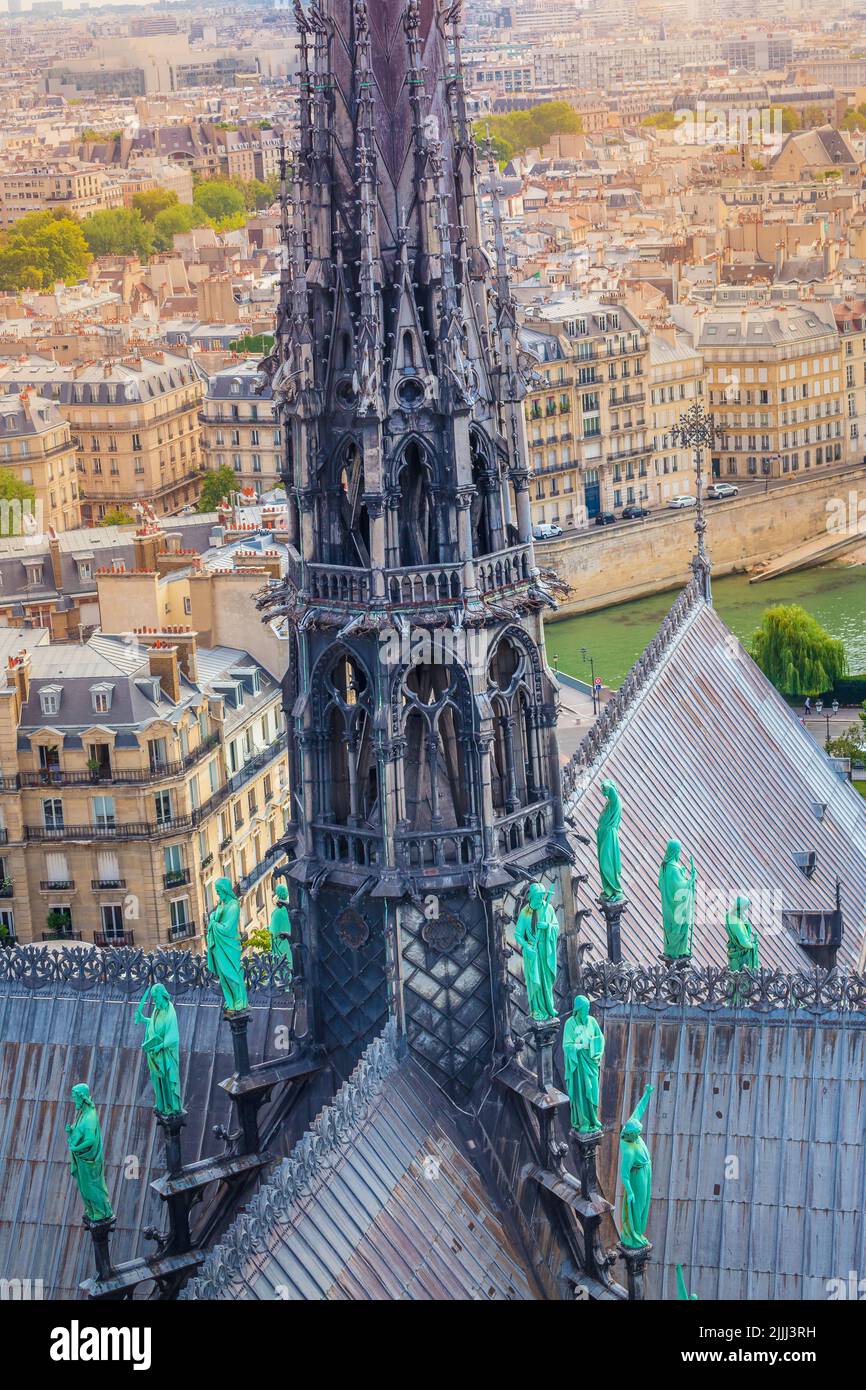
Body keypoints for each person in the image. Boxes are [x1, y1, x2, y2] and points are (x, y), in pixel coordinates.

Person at [206, 877, 248, 1012]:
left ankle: (240, 1000)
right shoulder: (223, 904)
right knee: (223, 975)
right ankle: (231, 1000)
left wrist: (213, 923)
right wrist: (214, 918)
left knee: (231, 974)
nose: (217, 894)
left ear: (224, 890)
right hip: (221, 946)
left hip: (229, 945)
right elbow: (216, 917)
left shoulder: (233, 906)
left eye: (218, 891)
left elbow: (227, 928)